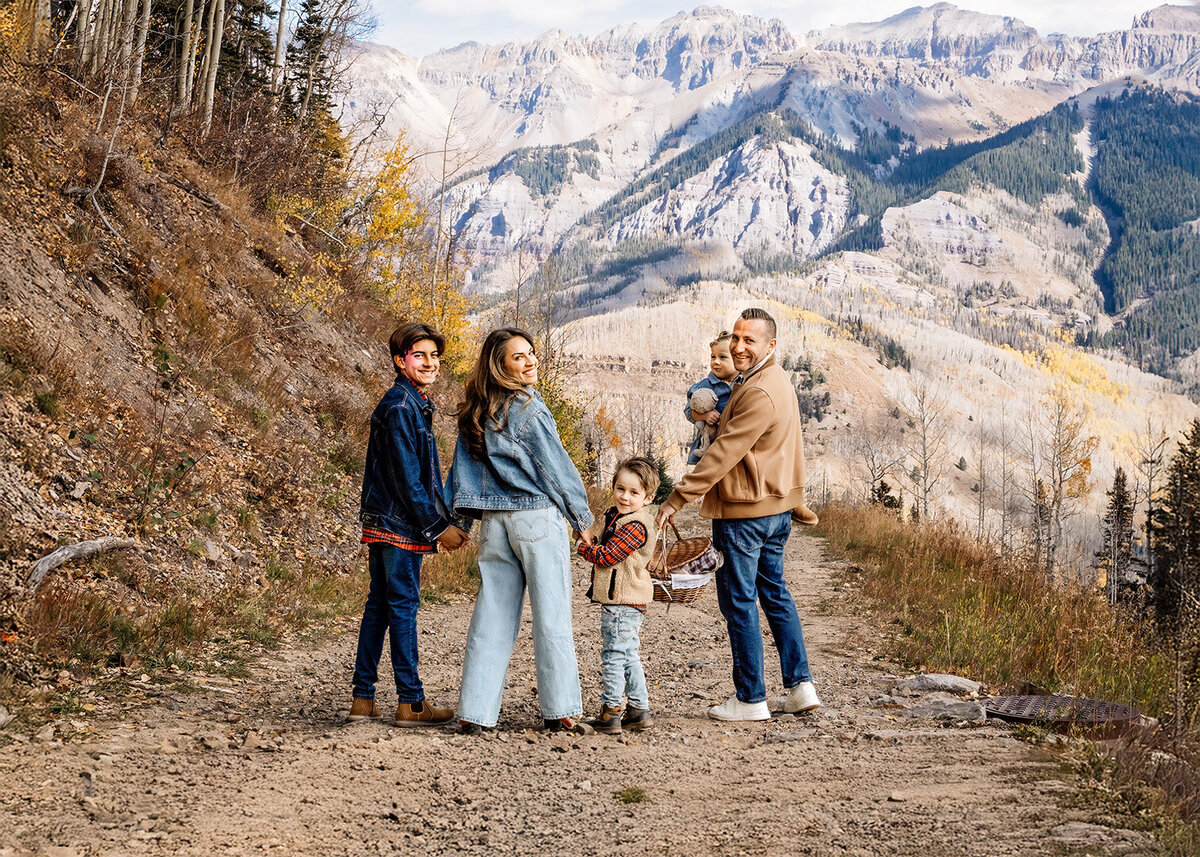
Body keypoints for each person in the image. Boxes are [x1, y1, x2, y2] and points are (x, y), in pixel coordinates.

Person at [657, 307, 822, 721]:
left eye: (750, 339)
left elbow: (724, 451)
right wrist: (794, 498)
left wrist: (676, 499)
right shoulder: (767, 379)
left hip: (745, 513)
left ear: (771, 344)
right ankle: (800, 687)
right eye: (736, 337)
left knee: (739, 601)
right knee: (775, 593)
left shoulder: (761, 391)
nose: (739, 345)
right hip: (772, 509)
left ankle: (750, 699)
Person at [449, 328, 596, 735]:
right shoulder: (528, 407)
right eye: (519, 357)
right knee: (551, 615)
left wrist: (458, 523)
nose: (531, 361)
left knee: (492, 616)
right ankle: (560, 710)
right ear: (500, 365)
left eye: (531, 352)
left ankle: (474, 713)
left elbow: (461, 472)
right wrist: (581, 520)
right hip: (535, 520)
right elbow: (554, 466)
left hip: (495, 524)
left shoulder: (476, 410)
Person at [350, 322, 468, 727]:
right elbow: (407, 479)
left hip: (386, 520)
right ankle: (411, 703)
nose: (430, 363)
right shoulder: (401, 406)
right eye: (420, 355)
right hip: (397, 524)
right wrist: (438, 527)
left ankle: (363, 700)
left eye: (435, 356)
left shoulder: (412, 402)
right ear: (401, 361)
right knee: (402, 607)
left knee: (379, 605)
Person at [578, 456, 660, 734]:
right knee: (628, 654)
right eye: (620, 489)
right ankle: (638, 709)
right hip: (625, 600)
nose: (625, 497)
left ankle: (611, 710)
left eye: (634, 492)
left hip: (622, 601)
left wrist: (583, 549)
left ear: (647, 498)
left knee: (613, 654)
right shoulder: (619, 517)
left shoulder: (636, 525)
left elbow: (609, 556)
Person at [684, 331, 736, 465]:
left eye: (723, 357)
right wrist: (704, 416)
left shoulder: (745, 382)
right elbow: (688, 412)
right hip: (709, 448)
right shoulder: (703, 386)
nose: (716, 362)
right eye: (713, 357)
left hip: (734, 446)